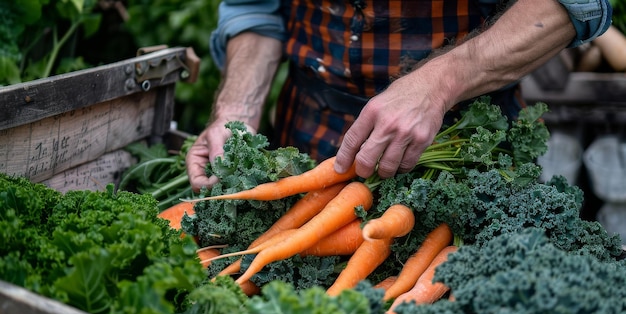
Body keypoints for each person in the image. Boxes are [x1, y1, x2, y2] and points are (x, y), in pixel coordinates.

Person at [186, 0, 612, 192]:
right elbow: (256, 8)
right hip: (305, 141)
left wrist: (437, 84)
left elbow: (573, 4)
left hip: (460, 156)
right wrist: (236, 111)